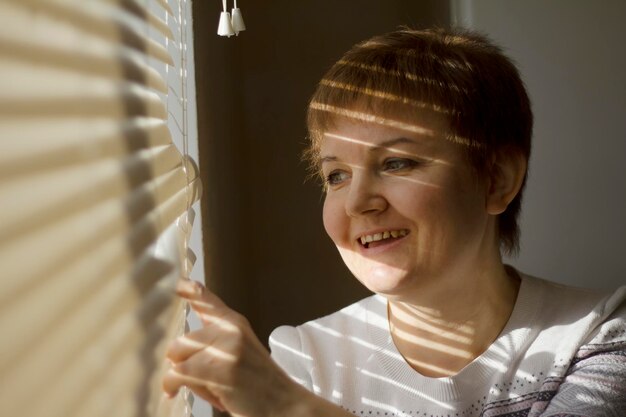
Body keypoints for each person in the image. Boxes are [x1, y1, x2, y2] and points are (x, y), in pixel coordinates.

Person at [163, 28, 626, 417]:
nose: (357, 202)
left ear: (496, 180)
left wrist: (289, 407)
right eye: (336, 175)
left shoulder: (599, 334)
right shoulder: (305, 360)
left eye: (398, 163)